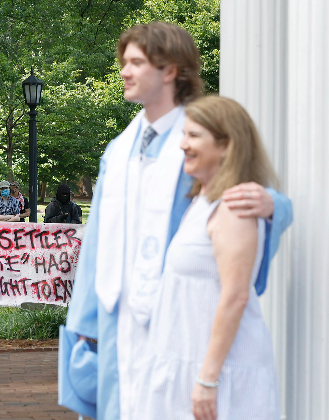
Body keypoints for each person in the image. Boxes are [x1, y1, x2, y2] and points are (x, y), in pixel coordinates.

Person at [60, 22, 292, 420]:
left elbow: (245, 189)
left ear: (169, 70)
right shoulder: (118, 150)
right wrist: (84, 321)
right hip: (117, 317)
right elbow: (97, 240)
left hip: (178, 320)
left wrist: (274, 204)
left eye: (135, 62)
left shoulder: (197, 140)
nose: (123, 72)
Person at [129, 96, 281, 419]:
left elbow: (236, 296)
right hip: (185, 364)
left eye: (194, 135)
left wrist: (207, 379)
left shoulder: (233, 210)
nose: (183, 144)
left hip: (219, 376)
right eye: (183, 134)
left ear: (226, 145)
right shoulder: (201, 203)